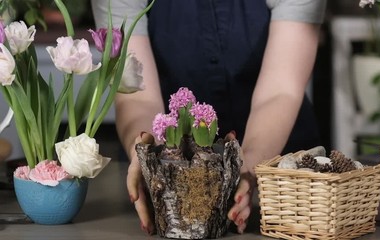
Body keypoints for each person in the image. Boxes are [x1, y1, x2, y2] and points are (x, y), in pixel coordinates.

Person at [91, 0, 327, 235]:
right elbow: (137, 97)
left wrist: (249, 167)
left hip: (279, 176)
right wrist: (147, 157)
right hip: (168, 174)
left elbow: (280, 91)